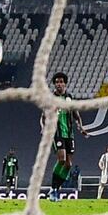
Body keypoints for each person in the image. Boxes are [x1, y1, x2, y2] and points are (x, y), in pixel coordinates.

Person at [41, 72, 88, 202]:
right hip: (57, 134)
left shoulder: (69, 98)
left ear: (65, 84)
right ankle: (52, 189)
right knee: (61, 160)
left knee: (68, 165)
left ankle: (56, 189)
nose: (59, 84)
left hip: (69, 134)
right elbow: (43, 117)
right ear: (54, 85)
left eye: (61, 82)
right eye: (57, 82)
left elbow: (76, 115)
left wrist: (81, 128)